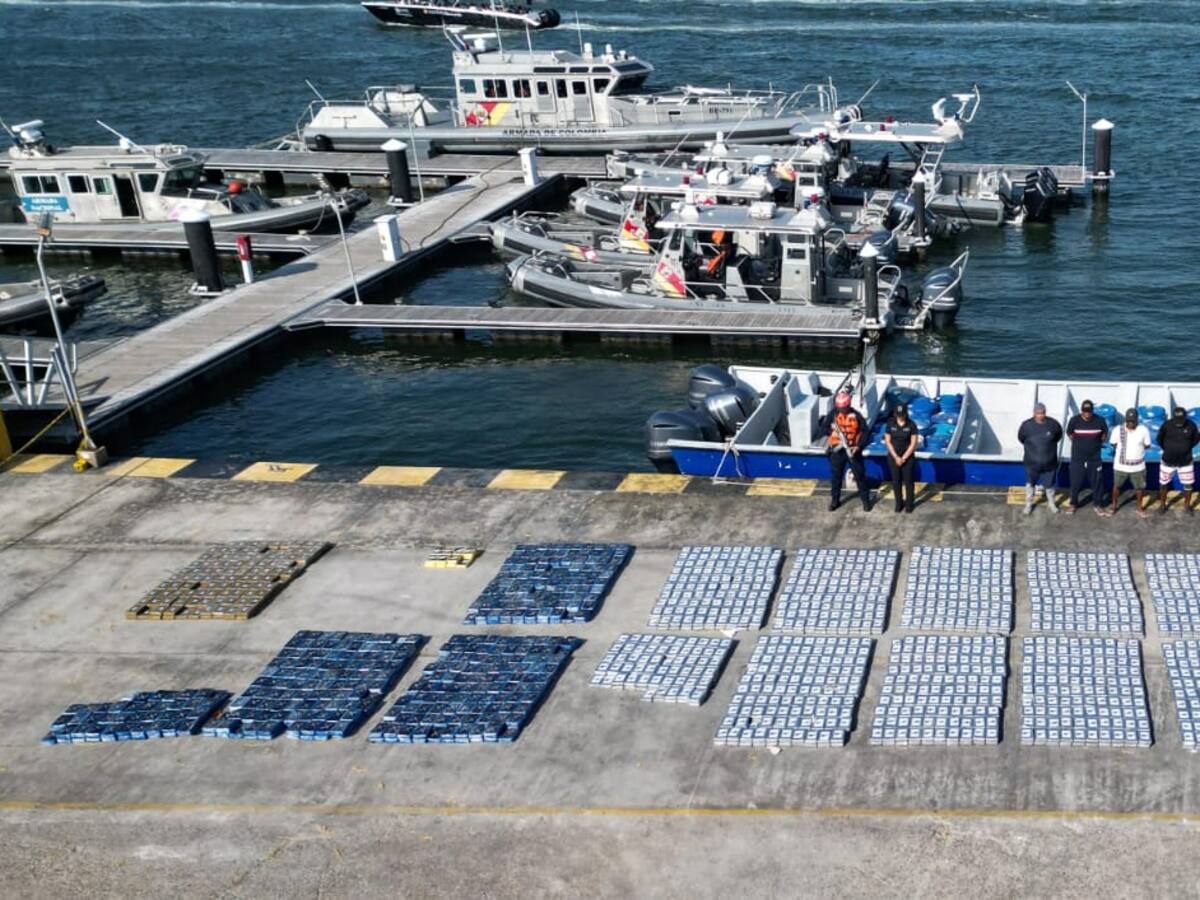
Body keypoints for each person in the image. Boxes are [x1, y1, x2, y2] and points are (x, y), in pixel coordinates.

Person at [824, 390, 870, 512]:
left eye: (843, 408)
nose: (841, 411)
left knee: (860, 476)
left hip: (852, 450)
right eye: (839, 408)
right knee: (836, 477)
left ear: (848, 405)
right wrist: (832, 432)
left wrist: (858, 446)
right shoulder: (832, 415)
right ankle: (835, 500)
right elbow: (824, 427)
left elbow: (865, 432)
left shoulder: (857, 416)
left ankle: (865, 501)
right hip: (837, 451)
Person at [1017, 402, 1064, 515]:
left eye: (1042, 413)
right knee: (1030, 485)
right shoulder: (1026, 425)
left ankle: (1051, 503)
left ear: (1045, 413)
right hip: (1031, 464)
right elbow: (1021, 438)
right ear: (1034, 413)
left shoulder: (1053, 424)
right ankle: (1028, 504)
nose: (1040, 415)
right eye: (1038, 413)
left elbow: (1058, 436)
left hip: (1049, 464)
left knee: (1050, 486)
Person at [1064, 399, 1109, 516]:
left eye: (1089, 411)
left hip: (1094, 458)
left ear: (1092, 411)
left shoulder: (1100, 420)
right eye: (1085, 411)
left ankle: (1098, 505)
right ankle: (1073, 504)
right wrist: (1080, 445)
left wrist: (1094, 444)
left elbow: (1104, 435)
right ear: (1081, 411)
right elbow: (1070, 434)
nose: (1087, 413)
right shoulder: (1074, 420)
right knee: (1075, 482)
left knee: (1097, 482)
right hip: (1077, 458)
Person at [1157, 407, 1200, 515]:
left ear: (1185, 417)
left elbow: (1196, 439)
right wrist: (1169, 449)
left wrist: (1185, 448)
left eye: (1181, 420)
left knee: (1188, 485)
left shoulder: (1191, 425)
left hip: (1186, 462)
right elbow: (1159, 439)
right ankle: (1162, 505)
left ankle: (1187, 506)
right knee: (1163, 484)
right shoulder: (1166, 425)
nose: (1179, 423)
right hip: (1167, 461)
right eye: (1177, 420)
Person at [1110, 408, 1152, 517]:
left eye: (1133, 421)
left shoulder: (1143, 430)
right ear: (1126, 420)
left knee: (1139, 488)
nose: (1131, 423)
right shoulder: (1117, 430)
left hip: (1138, 467)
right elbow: (1113, 444)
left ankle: (1139, 508)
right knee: (1116, 486)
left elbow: (1147, 445)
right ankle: (1114, 506)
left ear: (1137, 420)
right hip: (1120, 466)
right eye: (1129, 421)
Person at [884, 403, 921, 513]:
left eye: (902, 414)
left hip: (907, 457)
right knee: (896, 481)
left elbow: (913, 443)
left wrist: (903, 458)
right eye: (898, 415)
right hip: (893, 457)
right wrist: (896, 457)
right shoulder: (890, 424)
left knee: (909, 481)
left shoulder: (911, 425)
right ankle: (898, 503)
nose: (900, 417)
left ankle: (909, 504)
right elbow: (888, 441)